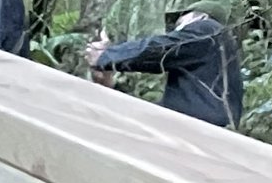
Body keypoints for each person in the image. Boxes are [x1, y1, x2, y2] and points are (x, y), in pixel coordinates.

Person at [85, 7, 245, 127]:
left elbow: (160, 48)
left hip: (196, 130)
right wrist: (110, 85)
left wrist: (108, 56)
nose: (177, 31)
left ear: (201, 16)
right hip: (199, 130)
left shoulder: (208, 29)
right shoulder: (215, 57)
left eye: (181, 25)